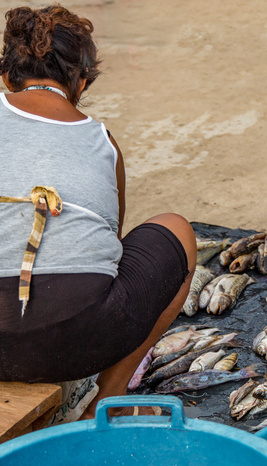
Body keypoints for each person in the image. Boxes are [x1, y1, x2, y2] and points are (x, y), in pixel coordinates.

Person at [0, 5, 196, 420]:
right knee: (176, 230)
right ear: (82, 82)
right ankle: (106, 400)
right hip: (83, 341)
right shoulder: (101, 141)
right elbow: (111, 250)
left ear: (5, 77)